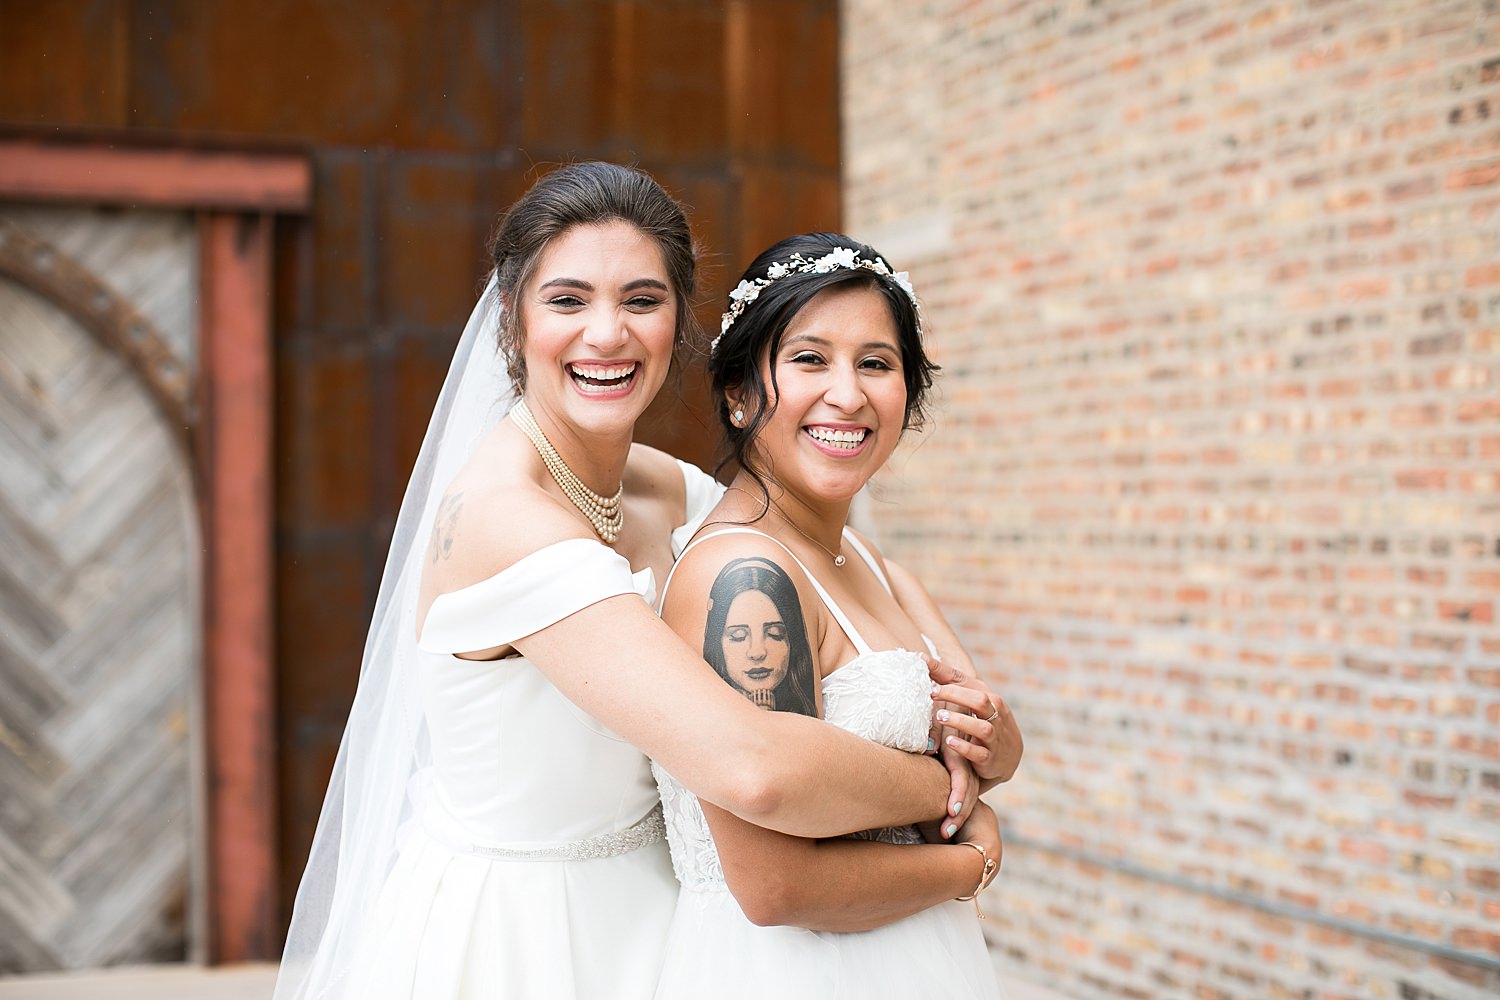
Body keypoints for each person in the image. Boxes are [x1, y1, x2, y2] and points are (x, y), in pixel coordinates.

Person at [273, 164, 1017, 1000]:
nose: (607, 334)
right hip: (527, 936)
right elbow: (751, 767)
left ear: (678, 325)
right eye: (567, 301)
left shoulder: (670, 491)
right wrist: (949, 797)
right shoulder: (502, 517)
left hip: (664, 925)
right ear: (513, 324)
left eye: (640, 300)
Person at [651, 232, 1013, 999]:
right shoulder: (744, 578)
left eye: (876, 363)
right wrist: (974, 860)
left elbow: (986, 756)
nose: (846, 394)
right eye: (810, 359)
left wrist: (999, 742)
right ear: (740, 393)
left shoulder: (878, 567)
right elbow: (776, 885)